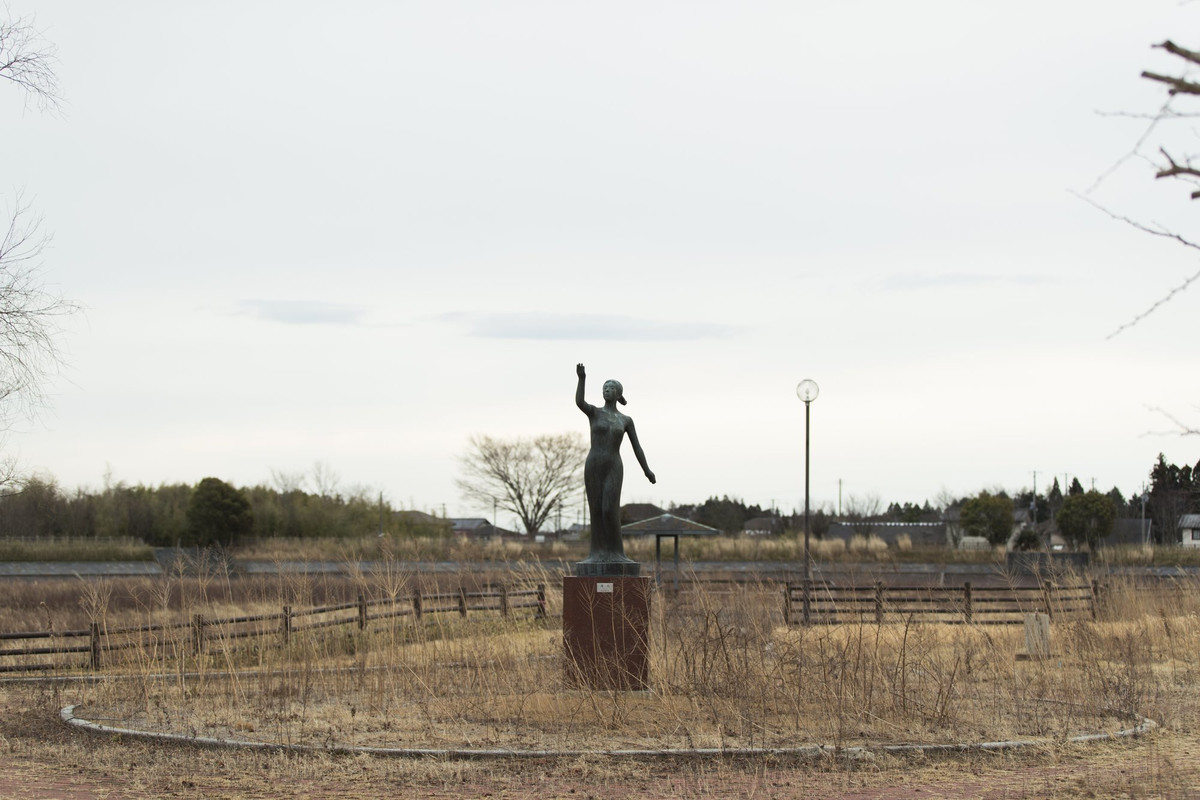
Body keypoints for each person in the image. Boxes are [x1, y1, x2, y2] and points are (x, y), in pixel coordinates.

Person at [575, 363, 655, 570]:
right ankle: (597, 554)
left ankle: (616, 553)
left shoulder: (625, 420)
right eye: (604, 388)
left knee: (609, 509)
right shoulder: (594, 413)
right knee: (596, 510)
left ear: (618, 393)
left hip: (613, 465)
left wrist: (647, 470)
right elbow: (579, 402)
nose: (606, 391)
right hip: (594, 465)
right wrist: (582, 379)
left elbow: (637, 447)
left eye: (610, 388)